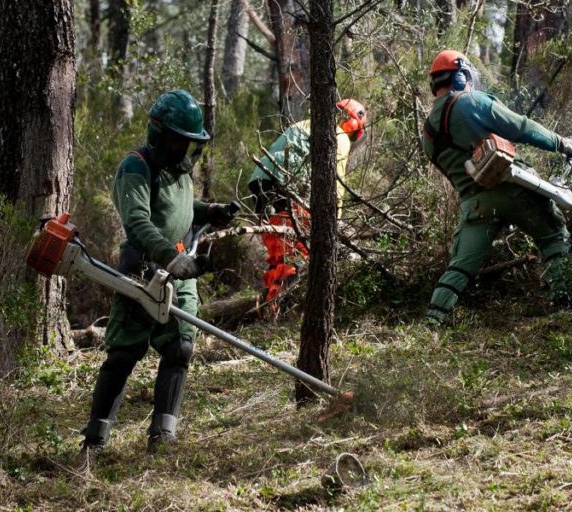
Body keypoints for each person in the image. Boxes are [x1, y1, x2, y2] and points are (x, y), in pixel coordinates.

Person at [79, 90, 237, 461]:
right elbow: (138, 220)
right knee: (124, 354)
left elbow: (179, 208)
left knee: (180, 348)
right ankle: (95, 441)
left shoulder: (178, 170)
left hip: (180, 270)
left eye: (189, 142)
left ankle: (162, 436)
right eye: (180, 140)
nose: (185, 148)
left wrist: (209, 210)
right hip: (142, 271)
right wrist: (169, 257)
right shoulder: (136, 167)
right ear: (161, 134)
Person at [422, 50, 572, 325]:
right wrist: (561, 142)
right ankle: (564, 305)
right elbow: (520, 127)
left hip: (475, 204)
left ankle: (433, 322)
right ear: (461, 76)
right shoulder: (470, 102)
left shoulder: (427, 133)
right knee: (554, 235)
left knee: (460, 266)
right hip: (514, 188)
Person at [247, 99, 367, 311]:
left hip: (261, 186)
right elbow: (334, 183)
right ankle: (280, 311)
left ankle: (269, 305)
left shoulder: (303, 123)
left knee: (279, 252)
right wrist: (333, 220)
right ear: (354, 125)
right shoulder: (338, 137)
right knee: (296, 253)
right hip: (287, 190)